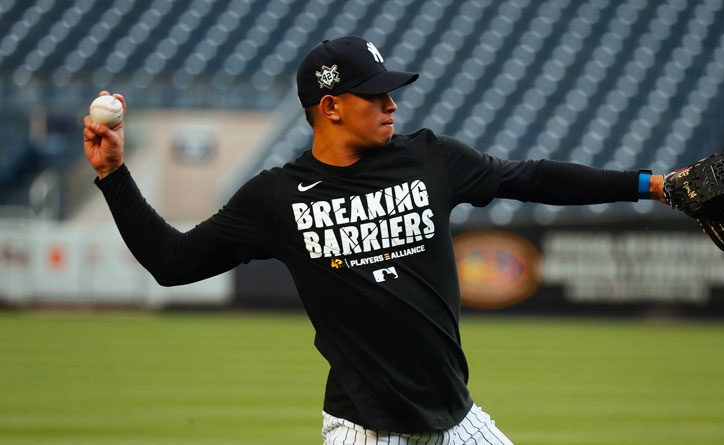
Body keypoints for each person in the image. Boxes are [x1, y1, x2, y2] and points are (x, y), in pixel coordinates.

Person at [83, 36, 666, 444]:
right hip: (364, 431)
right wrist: (113, 175)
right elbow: (171, 262)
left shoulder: (430, 158)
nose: (392, 103)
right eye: (375, 94)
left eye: (391, 90)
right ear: (331, 107)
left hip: (457, 423)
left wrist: (654, 185)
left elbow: (531, 177)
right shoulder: (276, 198)